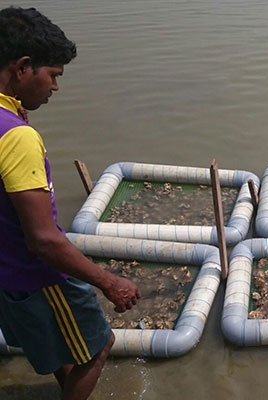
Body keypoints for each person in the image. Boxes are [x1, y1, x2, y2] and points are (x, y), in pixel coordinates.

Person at [0, 7, 140, 400]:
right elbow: (43, 240)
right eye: (54, 76)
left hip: (5, 275)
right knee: (98, 346)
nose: (55, 88)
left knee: (58, 345)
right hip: (37, 276)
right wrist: (110, 282)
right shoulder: (17, 137)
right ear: (24, 67)